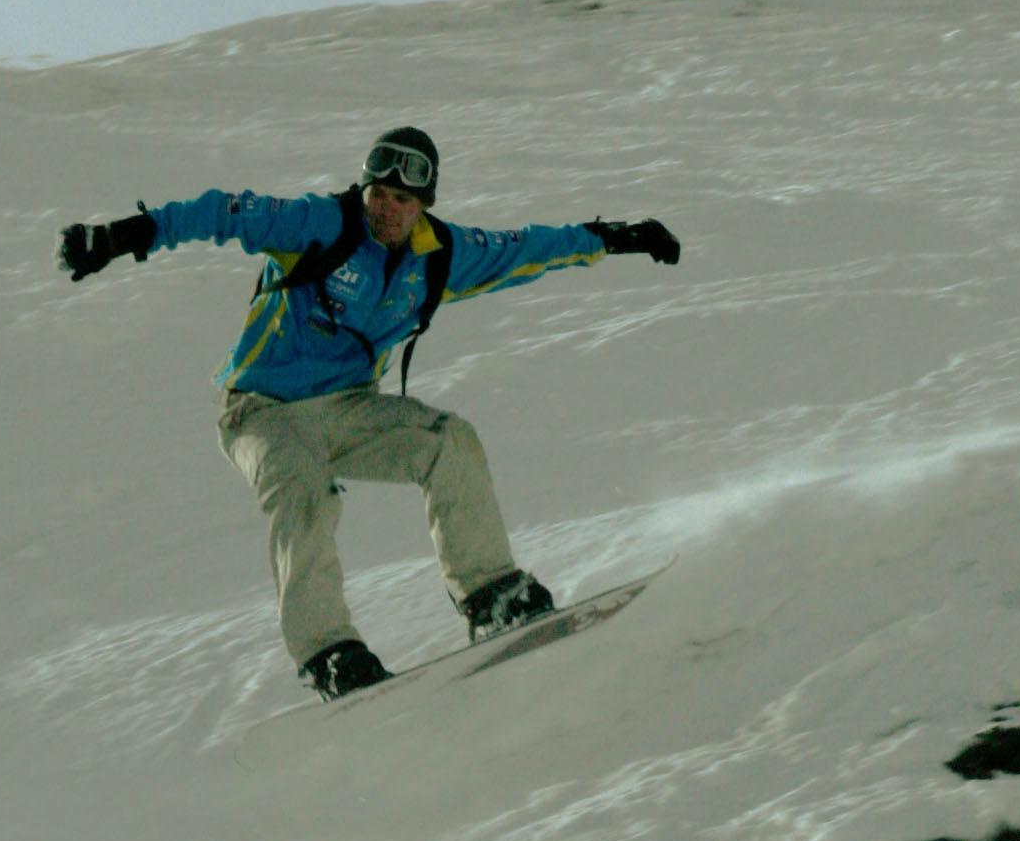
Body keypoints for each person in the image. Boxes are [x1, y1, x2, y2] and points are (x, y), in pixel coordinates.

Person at [58, 126, 680, 700]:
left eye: (402, 201)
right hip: (262, 410)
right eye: (378, 194)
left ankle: (493, 595)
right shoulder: (318, 224)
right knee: (303, 489)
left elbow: (527, 249)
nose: (386, 209)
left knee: (448, 441)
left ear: (425, 205)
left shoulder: (439, 256)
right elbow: (222, 211)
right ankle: (329, 652)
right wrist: (119, 237)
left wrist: (621, 237)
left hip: (351, 410)